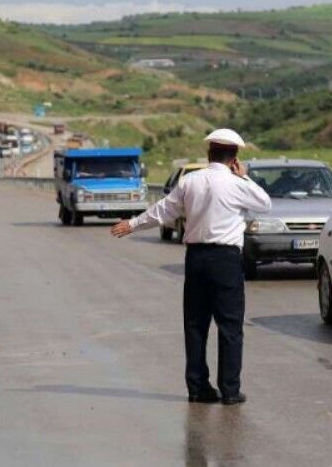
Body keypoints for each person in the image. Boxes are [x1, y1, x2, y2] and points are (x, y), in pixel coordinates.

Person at [110, 128, 271, 405]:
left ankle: (198, 388)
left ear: (209, 153)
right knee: (230, 326)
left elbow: (163, 210)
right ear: (234, 158)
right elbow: (265, 204)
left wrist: (132, 224)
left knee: (195, 325)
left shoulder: (190, 181)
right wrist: (243, 175)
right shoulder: (238, 184)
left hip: (196, 259)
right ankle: (230, 390)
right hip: (226, 260)